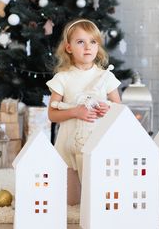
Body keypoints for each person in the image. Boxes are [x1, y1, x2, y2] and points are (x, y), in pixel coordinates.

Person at [46, 18, 121, 204]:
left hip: (97, 145)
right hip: (68, 144)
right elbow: (52, 114)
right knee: (71, 201)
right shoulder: (62, 78)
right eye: (81, 42)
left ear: (98, 46)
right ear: (69, 47)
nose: (88, 47)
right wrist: (75, 112)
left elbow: (119, 110)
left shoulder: (106, 77)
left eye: (93, 42)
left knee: (96, 196)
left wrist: (108, 109)